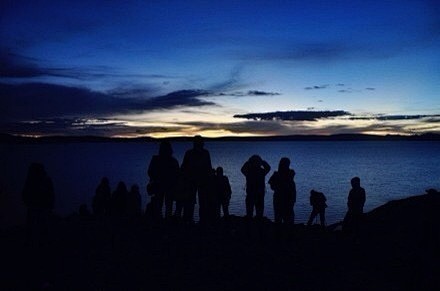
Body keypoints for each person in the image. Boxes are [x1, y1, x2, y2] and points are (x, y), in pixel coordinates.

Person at [181, 135, 212, 223]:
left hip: (200, 182)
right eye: (201, 142)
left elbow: (184, 167)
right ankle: (192, 220)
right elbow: (208, 168)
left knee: (200, 202)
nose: (202, 144)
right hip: (193, 182)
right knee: (193, 202)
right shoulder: (199, 153)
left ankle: (198, 220)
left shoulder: (193, 153)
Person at [22, 163, 55, 245]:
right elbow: (51, 194)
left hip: (39, 207)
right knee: (38, 227)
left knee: (40, 227)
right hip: (38, 207)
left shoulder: (34, 180)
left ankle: (39, 245)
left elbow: (25, 193)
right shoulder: (34, 180)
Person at [147, 141, 180, 220]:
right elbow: (177, 174)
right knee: (164, 206)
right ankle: (163, 222)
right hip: (163, 187)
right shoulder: (172, 161)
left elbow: (150, 172)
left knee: (162, 206)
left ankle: (160, 222)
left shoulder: (156, 159)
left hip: (165, 187)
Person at [241, 155, 271, 219]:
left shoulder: (249, 171)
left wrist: (248, 162)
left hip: (251, 194)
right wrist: (262, 161)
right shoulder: (262, 171)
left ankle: (250, 225)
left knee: (249, 212)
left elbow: (242, 169)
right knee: (259, 213)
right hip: (259, 194)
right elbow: (268, 168)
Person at [268, 157, 296, 224]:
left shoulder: (278, 174)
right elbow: (272, 186)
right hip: (282, 198)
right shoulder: (289, 173)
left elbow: (272, 186)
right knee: (284, 218)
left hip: (285, 198)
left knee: (282, 217)